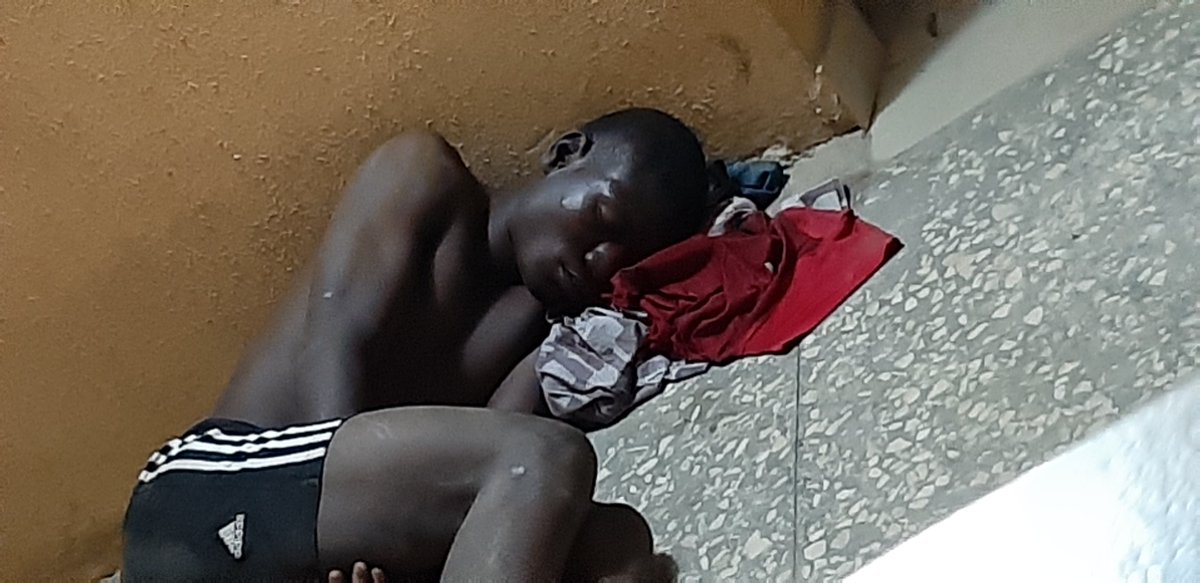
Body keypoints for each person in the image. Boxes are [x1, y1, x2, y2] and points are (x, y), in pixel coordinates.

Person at [122, 108, 710, 581]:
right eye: (602, 217)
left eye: (624, 259)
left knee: (620, 546)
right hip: (209, 491)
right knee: (546, 456)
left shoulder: (540, 331)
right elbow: (334, 340)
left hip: (321, 534)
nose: (600, 260)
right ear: (565, 155)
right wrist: (356, 533)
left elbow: (475, 494)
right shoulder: (424, 176)